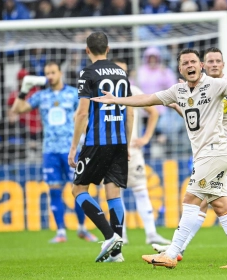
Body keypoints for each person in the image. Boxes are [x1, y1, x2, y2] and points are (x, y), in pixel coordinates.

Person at [92, 48, 227, 269]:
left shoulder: (216, 85)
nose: (190, 66)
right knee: (221, 205)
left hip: (215, 151)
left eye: (193, 62)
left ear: (201, 65)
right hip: (205, 154)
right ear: (180, 68)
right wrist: (117, 99)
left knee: (190, 200)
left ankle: (171, 253)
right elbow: (147, 99)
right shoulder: (178, 91)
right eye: (185, 63)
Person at [152, 47, 227, 261]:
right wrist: (179, 105)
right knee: (210, 201)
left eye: (218, 60)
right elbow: (196, 120)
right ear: (203, 65)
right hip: (210, 150)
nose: (215, 64)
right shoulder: (198, 87)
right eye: (210, 61)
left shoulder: (225, 86)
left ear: (223, 64)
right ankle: (178, 249)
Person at [11, 61, 97, 244]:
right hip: (49, 151)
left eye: (53, 72)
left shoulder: (74, 94)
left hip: (71, 150)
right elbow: (16, 110)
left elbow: (85, 114)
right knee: (55, 191)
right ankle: (60, 232)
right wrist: (24, 90)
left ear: (60, 73)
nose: (50, 76)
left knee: (79, 190)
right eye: (47, 73)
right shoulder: (41, 96)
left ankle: (82, 228)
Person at [68, 32, 134, 263]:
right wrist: (128, 141)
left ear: (87, 50)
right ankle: (116, 253)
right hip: (119, 140)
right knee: (113, 192)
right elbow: (130, 108)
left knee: (78, 189)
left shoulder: (87, 73)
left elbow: (83, 112)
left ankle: (109, 237)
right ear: (108, 48)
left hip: (97, 141)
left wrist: (74, 147)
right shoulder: (121, 73)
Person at [111, 58, 171, 246]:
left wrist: (145, 138)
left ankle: (151, 233)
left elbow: (153, 112)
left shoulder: (133, 91)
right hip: (111, 152)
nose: (122, 74)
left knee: (141, 191)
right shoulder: (104, 94)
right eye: (118, 70)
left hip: (132, 151)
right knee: (114, 193)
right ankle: (120, 235)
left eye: (125, 71)